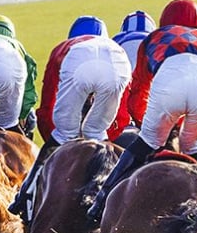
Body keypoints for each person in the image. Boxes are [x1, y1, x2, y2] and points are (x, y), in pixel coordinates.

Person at [86, 0, 197, 224]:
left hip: (170, 87)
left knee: (146, 143)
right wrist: (196, 123)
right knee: (194, 147)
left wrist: (150, 125)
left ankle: (100, 201)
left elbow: (140, 89)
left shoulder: (155, 37)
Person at [7, 16, 132, 221]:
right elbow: (122, 115)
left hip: (79, 64)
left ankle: (24, 196)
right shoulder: (113, 48)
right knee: (97, 134)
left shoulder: (63, 49)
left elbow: (47, 108)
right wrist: (106, 136)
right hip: (117, 63)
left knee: (64, 133)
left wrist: (59, 139)